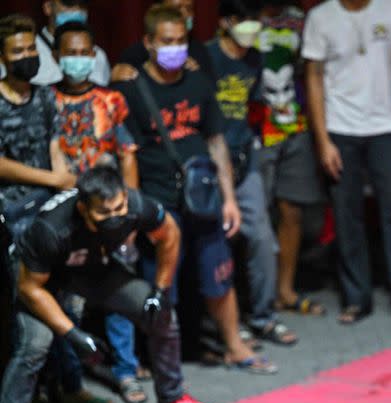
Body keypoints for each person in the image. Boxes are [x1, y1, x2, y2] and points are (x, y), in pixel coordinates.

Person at [0, 165, 218, 403]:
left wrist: (159, 291)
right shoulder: (51, 229)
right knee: (36, 343)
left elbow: (169, 233)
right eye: (105, 213)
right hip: (39, 280)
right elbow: (30, 289)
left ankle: (172, 400)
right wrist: (73, 334)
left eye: (120, 208)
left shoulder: (135, 205)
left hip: (90, 268)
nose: (116, 216)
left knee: (157, 312)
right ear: (83, 209)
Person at [114, 4, 276, 373]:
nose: (175, 48)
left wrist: (229, 200)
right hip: (159, 200)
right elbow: (129, 155)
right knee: (161, 286)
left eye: (181, 41)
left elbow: (216, 142)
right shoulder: (131, 89)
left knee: (219, 275)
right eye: (167, 42)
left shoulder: (199, 82)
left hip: (203, 197)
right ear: (149, 43)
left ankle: (235, 347)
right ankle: (159, 359)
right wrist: (135, 211)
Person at [302, 0, 391, 327]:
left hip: (387, 127)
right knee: (346, 216)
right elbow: (313, 78)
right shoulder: (321, 17)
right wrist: (323, 139)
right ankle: (356, 299)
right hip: (340, 128)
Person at [53, 21, 148, 403]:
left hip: (109, 212)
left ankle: (126, 371)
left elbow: (127, 155)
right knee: (67, 302)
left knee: (119, 293)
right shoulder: (46, 102)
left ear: (94, 56)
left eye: (83, 53)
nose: (77, 60)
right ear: (57, 57)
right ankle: (72, 382)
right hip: (67, 216)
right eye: (69, 53)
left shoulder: (111, 101)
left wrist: (131, 214)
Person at [204, 0, 298, 346]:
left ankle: (264, 316)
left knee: (260, 236)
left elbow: (253, 106)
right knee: (219, 241)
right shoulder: (206, 57)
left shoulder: (255, 58)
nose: (252, 29)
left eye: (256, 22)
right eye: (245, 22)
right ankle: (226, 324)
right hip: (211, 164)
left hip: (245, 160)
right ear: (227, 22)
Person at [255, 0, 329, 318]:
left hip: (294, 126)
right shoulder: (241, 19)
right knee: (256, 217)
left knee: (292, 210)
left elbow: (312, 68)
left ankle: (285, 290)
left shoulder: (301, 19)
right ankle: (255, 294)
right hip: (256, 129)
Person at [0, 14, 74, 238]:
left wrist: (63, 180)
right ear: (2, 57)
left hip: (50, 203)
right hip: (11, 207)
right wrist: (52, 179)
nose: (28, 56)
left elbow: (55, 143)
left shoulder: (45, 94)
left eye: (32, 48)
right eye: (18, 51)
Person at [113, 0, 215, 83]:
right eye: (176, 9)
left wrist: (195, 76)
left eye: (189, 9)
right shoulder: (132, 56)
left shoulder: (200, 51)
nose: (184, 14)